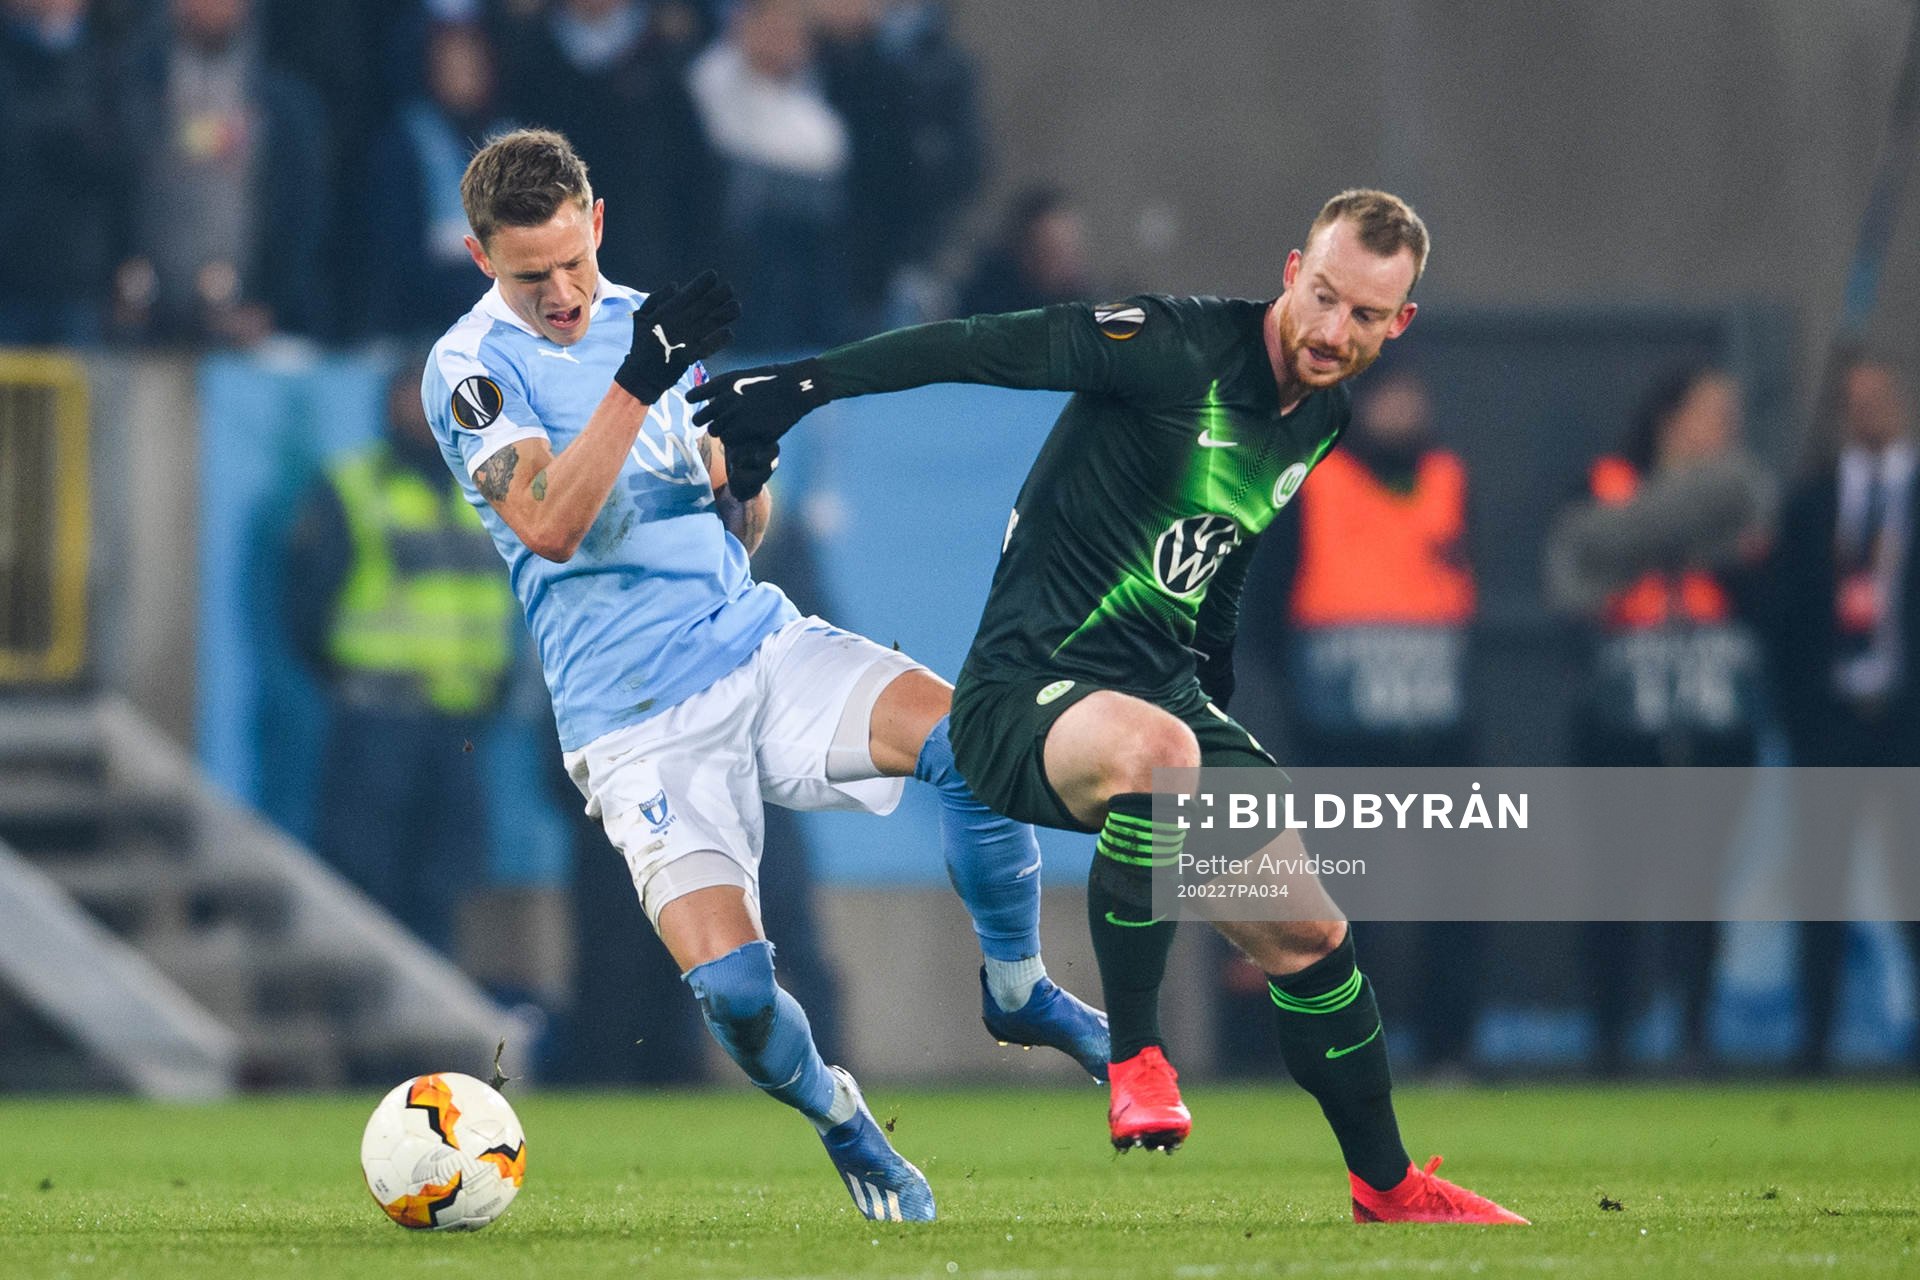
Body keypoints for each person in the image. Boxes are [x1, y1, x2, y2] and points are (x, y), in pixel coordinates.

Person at [691, 190, 1527, 1224]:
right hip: (1022, 696)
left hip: (1160, 698)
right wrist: (803, 385)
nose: (1331, 331)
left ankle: (1388, 1184)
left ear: (1399, 323)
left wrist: (1214, 656)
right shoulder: (1174, 348)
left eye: (1363, 317)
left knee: (1309, 931)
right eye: (1323, 297)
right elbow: (986, 344)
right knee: (1160, 748)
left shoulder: (1324, 414)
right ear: (1291, 269)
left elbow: (1228, 545)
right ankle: (1135, 1054)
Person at [424, 128, 1106, 1223]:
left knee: (978, 742)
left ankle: (1019, 988)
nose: (559, 292)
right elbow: (549, 523)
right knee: (738, 995)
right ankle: (844, 1117)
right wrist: (640, 384)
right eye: (527, 274)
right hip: (635, 721)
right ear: (479, 260)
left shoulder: (648, 327)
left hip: (755, 643)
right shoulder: (469, 369)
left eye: (571, 262)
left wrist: (748, 476)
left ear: (596, 222)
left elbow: (733, 528)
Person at [1241, 364, 1485, 1079]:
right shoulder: (1312, 482)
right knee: (1351, 908)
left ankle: (1449, 1051)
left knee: (1456, 899)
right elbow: (1264, 614)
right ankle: (1353, 1050)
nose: (1407, 413)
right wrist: (1319, 694)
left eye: (1416, 396)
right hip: (1340, 740)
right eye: (1392, 400)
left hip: (1440, 737)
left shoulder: (1448, 479)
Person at [1544, 365, 1772, 1075]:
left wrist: (1637, 536)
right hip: (1621, 718)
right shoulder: (1606, 479)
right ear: (1670, 417)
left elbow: (1764, 584)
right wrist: (1680, 522)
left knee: (1701, 883)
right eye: (1711, 411)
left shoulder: (1747, 495)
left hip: (1714, 715)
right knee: (1616, 882)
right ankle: (1610, 1036)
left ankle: (1694, 1034)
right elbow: (1575, 570)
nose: (1725, 428)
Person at [284, 357, 521, 954]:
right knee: (361, 890)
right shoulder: (352, 486)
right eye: (417, 395)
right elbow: (304, 608)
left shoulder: (487, 493)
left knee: (442, 893)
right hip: (376, 726)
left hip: (459, 730)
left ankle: (430, 1040)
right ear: (390, 402)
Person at [1764, 352, 1920, 1075]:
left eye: (1879, 396)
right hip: (1829, 719)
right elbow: (1784, 622)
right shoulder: (1812, 504)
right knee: (1820, 884)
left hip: (1907, 719)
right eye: (1854, 401)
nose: (1869, 412)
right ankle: (1814, 1042)